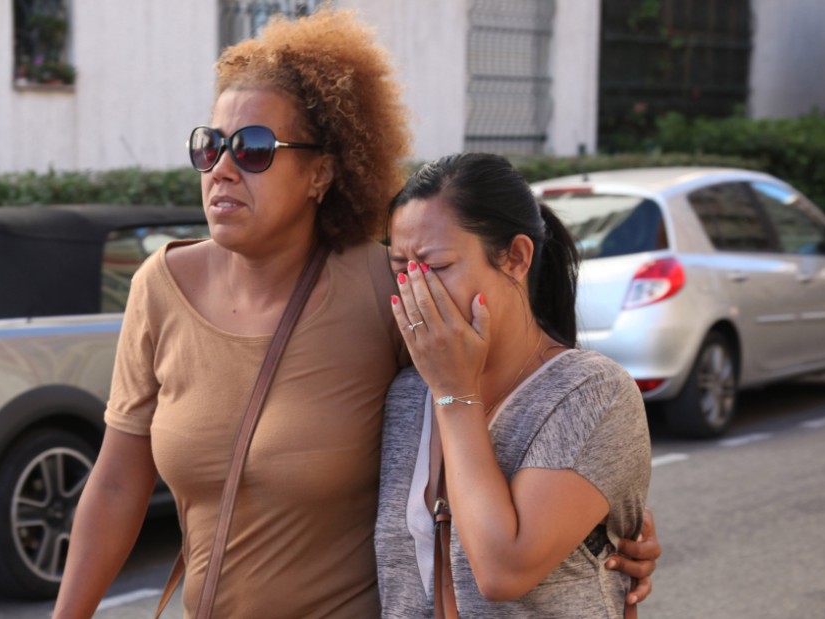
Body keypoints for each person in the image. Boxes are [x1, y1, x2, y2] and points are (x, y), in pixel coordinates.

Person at [53, 10, 658, 619]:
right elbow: (115, 484)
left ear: (322, 172)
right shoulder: (160, 286)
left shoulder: (385, 285)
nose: (222, 168)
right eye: (209, 146)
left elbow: (493, 398)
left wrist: (607, 528)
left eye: (255, 148)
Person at [376, 152, 653, 618]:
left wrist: (455, 393)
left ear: (517, 258)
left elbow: (502, 571)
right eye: (400, 267)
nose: (414, 290)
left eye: (435, 266)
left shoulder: (593, 392)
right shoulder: (406, 394)